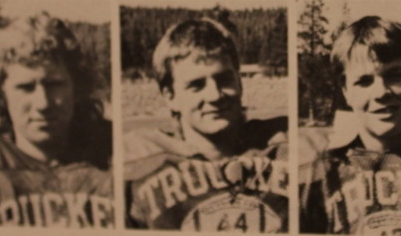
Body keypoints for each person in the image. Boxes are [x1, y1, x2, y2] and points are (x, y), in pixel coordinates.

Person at [299, 16, 401, 235]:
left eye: (394, 76)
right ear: (345, 90)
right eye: (364, 81)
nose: (381, 92)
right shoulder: (318, 172)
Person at [123, 18, 289, 231]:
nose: (214, 95)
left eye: (224, 80)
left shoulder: (283, 147)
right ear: (170, 96)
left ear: (239, 82)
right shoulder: (142, 167)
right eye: (196, 85)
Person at [0, 13, 113, 227]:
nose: (43, 103)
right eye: (26, 87)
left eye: (54, 84)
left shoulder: (111, 150)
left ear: (76, 87)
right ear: (2, 94)